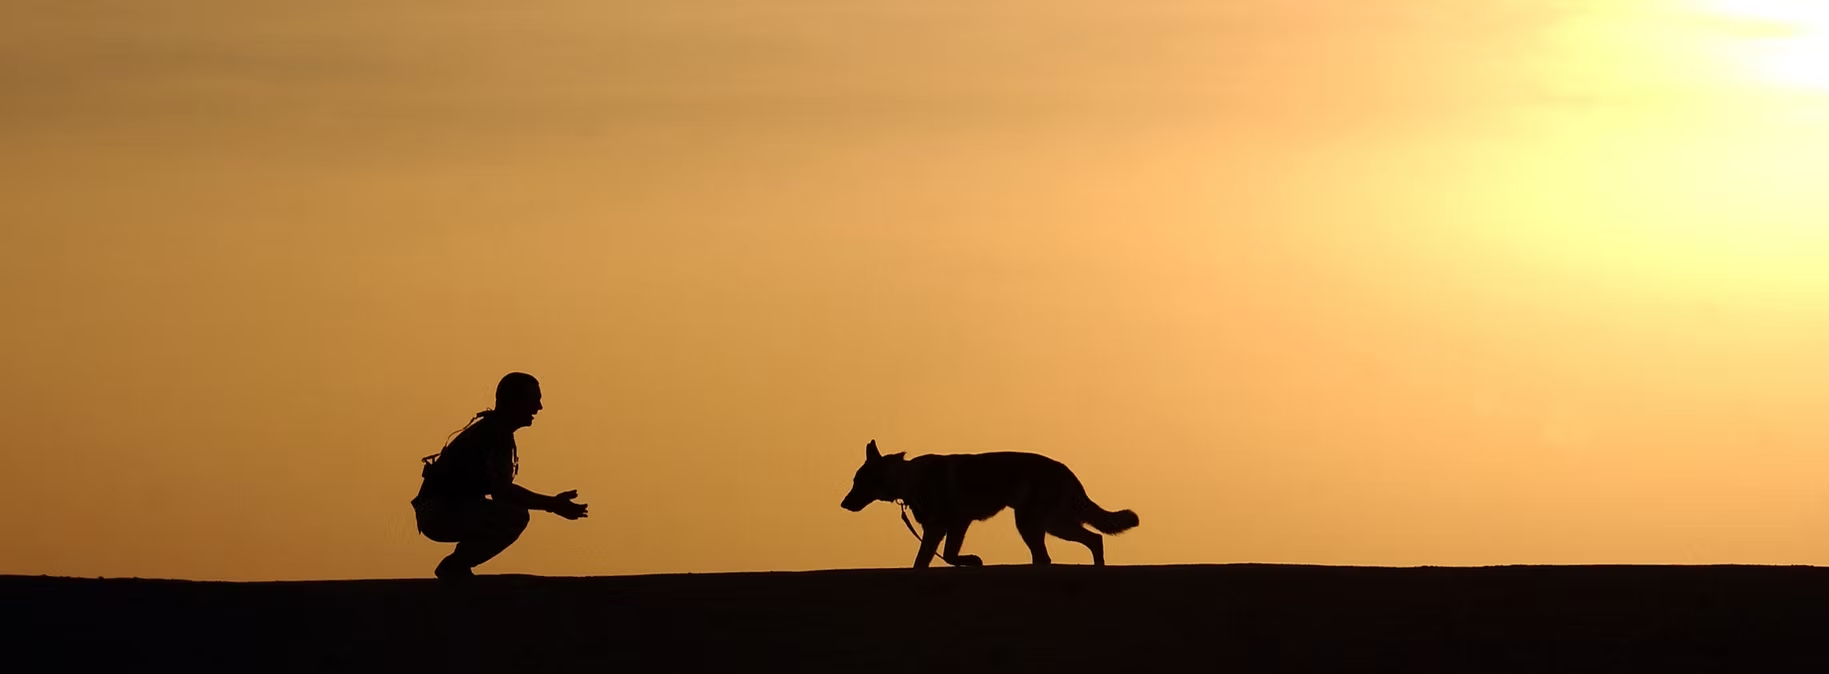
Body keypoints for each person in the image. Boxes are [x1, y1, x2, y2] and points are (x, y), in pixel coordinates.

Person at [410, 372, 588, 580]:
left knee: (508, 514)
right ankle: (454, 567)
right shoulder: (493, 434)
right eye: (534, 400)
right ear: (515, 401)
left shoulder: (495, 431)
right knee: (514, 517)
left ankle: (457, 567)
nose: (539, 407)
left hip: (440, 509)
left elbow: (499, 491)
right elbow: (503, 492)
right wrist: (553, 504)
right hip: (438, 511)